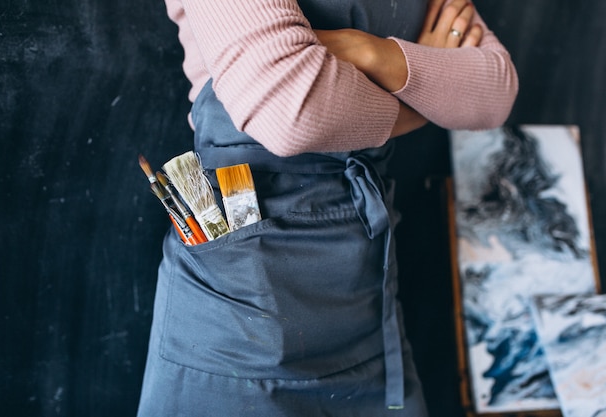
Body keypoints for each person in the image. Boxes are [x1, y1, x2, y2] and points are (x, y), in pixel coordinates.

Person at [137, 0, 518, 415]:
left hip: (367, 294)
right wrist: (420, 95)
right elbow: (291, 112)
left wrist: (366, 50)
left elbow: (493, 90)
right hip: (242, 316)